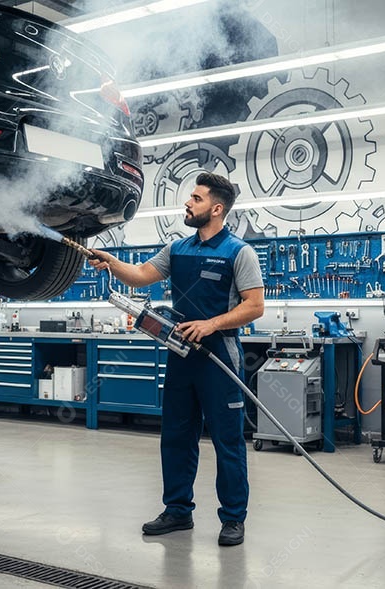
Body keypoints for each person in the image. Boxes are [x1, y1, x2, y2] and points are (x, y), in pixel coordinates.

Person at [88, 173, 265, 546]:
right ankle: (178, 510)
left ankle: (233, 518)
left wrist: (211, 324)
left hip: (219, 357)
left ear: (216, 209)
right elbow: (140, 275)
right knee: (176, 435)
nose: (188, 202)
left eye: (196, 199)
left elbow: (254, 306)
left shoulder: (239, 252)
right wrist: (112, 262)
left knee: (227, 441)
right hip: (181, 354)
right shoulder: (177, 249)